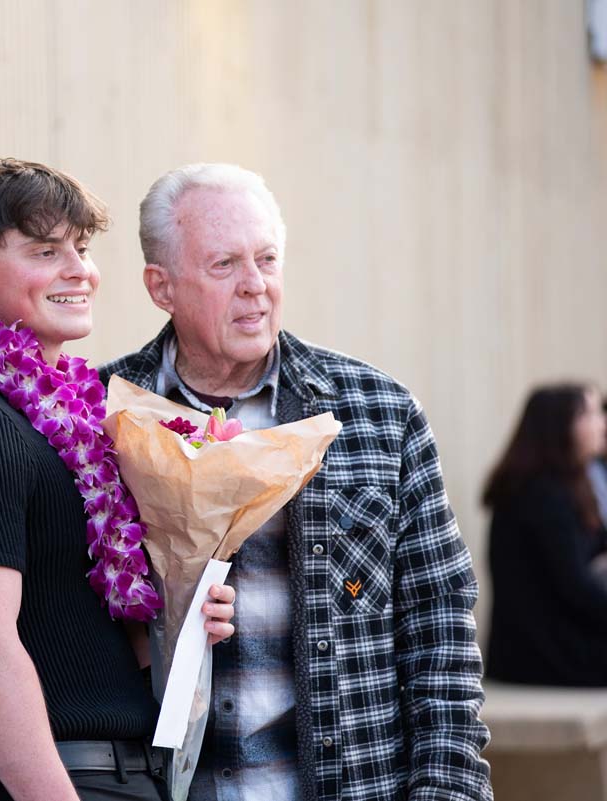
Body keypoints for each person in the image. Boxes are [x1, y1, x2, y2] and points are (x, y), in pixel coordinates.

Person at [98, 163, 492, 801]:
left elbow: (441, 627)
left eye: (268, 259)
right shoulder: (100, 417)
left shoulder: (377, 412)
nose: (256, 287)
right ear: (160, 286)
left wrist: (446, 790)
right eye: (224, 265)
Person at [0, 158, 236, 801]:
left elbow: (70, 622)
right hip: (52, 780)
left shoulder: (70, 420)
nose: (81, 271)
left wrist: (178, 610)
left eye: (83, 248)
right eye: (46, 251)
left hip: (125, 771)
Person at [483, 383, 607, 685]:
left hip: (547, 645)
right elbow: (575, 588)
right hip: (540, 655)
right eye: (590, 414)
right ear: (560, 426)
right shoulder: (540, 495)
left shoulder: (566, 487)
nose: (602, 422)